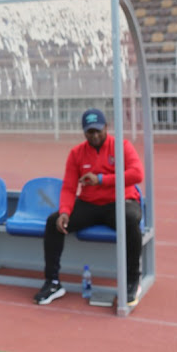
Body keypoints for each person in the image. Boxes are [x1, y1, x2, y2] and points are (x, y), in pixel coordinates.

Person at [34, 108, 144, 308]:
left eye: (98, 131)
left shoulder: (122, 146)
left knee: (130, 220)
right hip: (90, 205)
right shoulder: (76, 153)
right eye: (89, 132)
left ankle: (132, 280)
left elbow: (137, 174)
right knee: (53, 222)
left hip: (119, 202)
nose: (94, 136)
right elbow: (69, 187)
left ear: (106, 128)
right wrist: (65, 212)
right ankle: (53, 282)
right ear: (84, 132)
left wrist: (102, 179)